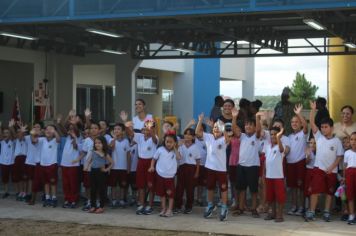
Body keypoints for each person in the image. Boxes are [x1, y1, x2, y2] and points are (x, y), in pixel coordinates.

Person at [305, 101, 344, 222]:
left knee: (329, 192)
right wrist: (313, 110)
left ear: (331, 128)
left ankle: (327, 212)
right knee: (315, 191)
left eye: (326, 127)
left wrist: (332, 167)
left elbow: (339, 157)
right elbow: (311, 123)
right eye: (322, 127)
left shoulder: (337, 141)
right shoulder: (319, 137)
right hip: (318, 169)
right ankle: (311, 211)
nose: (323, 129)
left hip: (331, 171)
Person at [196, 113, 232, 221]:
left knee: (223, 189)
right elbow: (197, 132)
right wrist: (200, 120)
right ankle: (210, 205)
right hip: (210, 168)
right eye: (215, 127)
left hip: (221, 169)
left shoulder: (224, 139)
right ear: (212, 129)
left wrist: (222, 127)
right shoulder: (208, 137)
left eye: (218, 127)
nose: (216, 129)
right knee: (210, 187)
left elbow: (228, 139)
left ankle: (224, 207)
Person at [125, 119, 158, 215]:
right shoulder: (139, 137)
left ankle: (150, 205)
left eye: (149, 128)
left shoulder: (154, 137)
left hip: (150, 162)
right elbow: (130, 133)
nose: (146, 130)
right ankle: (141, 204)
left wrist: (150, 129)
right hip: (141, 162)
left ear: (153, 129)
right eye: (145, 128)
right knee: (141, 185)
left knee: (151, 185)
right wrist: (126, 125)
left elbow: (155, 140)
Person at [233, 110, 262, 218]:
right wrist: (234, 117)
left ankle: (254, 209)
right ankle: (241, 208)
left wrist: (257, 118)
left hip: (253, 166)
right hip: (241, 166)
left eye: (250, 125)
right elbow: (234, 129)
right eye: (246, 125)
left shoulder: (256, 136)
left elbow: (259, 130)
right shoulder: (242, 136)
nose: (248, 126)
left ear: (254, 127)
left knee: (254, 189)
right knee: (241, 189)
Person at [149, 132, 181, 217]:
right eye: (167, 141)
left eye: (171, 142)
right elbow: (154, 159)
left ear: (175, 142)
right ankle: (163, 208)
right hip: (160, 175)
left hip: (170, 177)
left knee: (170, 194)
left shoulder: (175, 151)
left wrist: (175, 148)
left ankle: (170, 210)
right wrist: (152, 166)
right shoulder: (160, 150)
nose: (168, 144)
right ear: (164, 141)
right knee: (162, 194)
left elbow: (179, 158)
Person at [72, 122, 100, 211]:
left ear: (99, 130)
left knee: (97, 185)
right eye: (92, 128)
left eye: (95, 128)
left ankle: (97, 202)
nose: (93, 130)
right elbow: (84, 152)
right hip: (88, 167)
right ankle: (89, 201)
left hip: (98, 166)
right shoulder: (87, 140)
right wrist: (77, 159)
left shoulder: (101, 139)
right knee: (88, 186)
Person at [286, 104, 308, 216]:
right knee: (293, 187)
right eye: (292, 122)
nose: (294, 124)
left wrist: (299, 114)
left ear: (300, 123)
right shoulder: (289, 137)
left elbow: (306, 126)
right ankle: (294, 206)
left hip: (300, 163)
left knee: (300, 187)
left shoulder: (303, 134)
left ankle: (302, 207)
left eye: (296, 122)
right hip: (290, 164)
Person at [84, 136, 113, 214]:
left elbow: (112, 162)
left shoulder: (105, 153)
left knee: (101, 189)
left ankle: (101, 206)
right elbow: (89, 160)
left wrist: (107, 169)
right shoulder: (93, 152)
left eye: (99, 143)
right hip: (93, 171)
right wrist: (86, 167)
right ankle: (93, 206)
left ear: (103, 144)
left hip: (101, 173)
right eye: (96, 143)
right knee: (93, 189)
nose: (97, 144)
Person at [175, 128, 200, 214]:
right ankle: (178, 206)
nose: (187, 136)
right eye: (186, 134)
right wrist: (178, 146)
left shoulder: (195, 147)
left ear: (193, 137)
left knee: (190, 189)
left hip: (191, 169)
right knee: (179, 188)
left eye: (190, 134)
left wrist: (197, 172)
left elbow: (197, 161)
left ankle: (189, 206)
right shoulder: (181, 145)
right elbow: (178, 156)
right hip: (182, 168)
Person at [34, 125, 61, 207]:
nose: (48, 130)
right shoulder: (42, 140)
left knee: (53, 182)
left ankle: (54, 198)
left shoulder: (55, 141)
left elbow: (58, 139)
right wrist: (37, 133)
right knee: (46, 183)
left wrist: (54, 131)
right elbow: (34, 141)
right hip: (43, 164)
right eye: (47, 129)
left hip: (52, 164)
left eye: (50, 129)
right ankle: (47, 197)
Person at [263, 126, 285, 222]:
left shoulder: (281, 145)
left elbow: (281, 150)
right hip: (269, 176)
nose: (273, 136)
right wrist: (263, 173)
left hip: (278, 176)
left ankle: (279, 215)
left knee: (279, 197)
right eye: (271, 134)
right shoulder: (267, 146)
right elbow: (265, 161)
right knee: (270, 196)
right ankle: (272, 213)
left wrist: (278, 137)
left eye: (275, 134)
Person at [108, 123, 131, 208]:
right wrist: (114, 138)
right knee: (113, 185)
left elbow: (128, 155)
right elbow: (112, 148)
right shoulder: (111, 140)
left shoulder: (126, 141)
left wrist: (128, 167)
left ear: (123, 132)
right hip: (114, 167)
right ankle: (114, 200)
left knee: (122, 185)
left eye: (118, 129)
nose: (116, 130)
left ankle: (121, 200)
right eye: (115, 129)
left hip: (123, 167)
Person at [61, 124, 81, 208]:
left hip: (74, 164)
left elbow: (76, 147)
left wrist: (74, 136)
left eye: (73, 129)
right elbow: (62, 128)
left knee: (73, 183)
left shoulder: (79, 138)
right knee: (66, 183)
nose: (71, 131)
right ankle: (67, 199)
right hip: (64, 163)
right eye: (70, 129)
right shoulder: (67, 138)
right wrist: (60, 122)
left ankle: (73, 200)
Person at [343, 132, 356, 225]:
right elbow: (345, 166)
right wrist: (344, 178)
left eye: (355, 139)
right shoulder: (347, 153)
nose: (353, 142)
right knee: (350, 196)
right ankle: (351, 215)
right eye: (351, 139)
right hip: (349, 175)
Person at [0, 124, 15, 199]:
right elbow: (1, 136)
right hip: (3, 162)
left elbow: (13, 135)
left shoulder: (12, 141)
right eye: (4, 133)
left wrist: (11, 127)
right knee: (5, 179)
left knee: (14, 178)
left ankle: (18, 191)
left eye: (7, 133)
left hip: (11, 162)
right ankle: (6, 191)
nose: (6, 134)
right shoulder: (1, 141)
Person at [304, 137, 316, 211]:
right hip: (309, 171)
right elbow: (306, 162)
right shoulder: (308, 151)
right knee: (308, 189)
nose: (313, 145)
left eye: (314, 143)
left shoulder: (319, 152)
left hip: (316, 171)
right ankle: (308, 207)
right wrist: (308, 155)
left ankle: (314, 207)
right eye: (311, 143)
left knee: (314, 189)